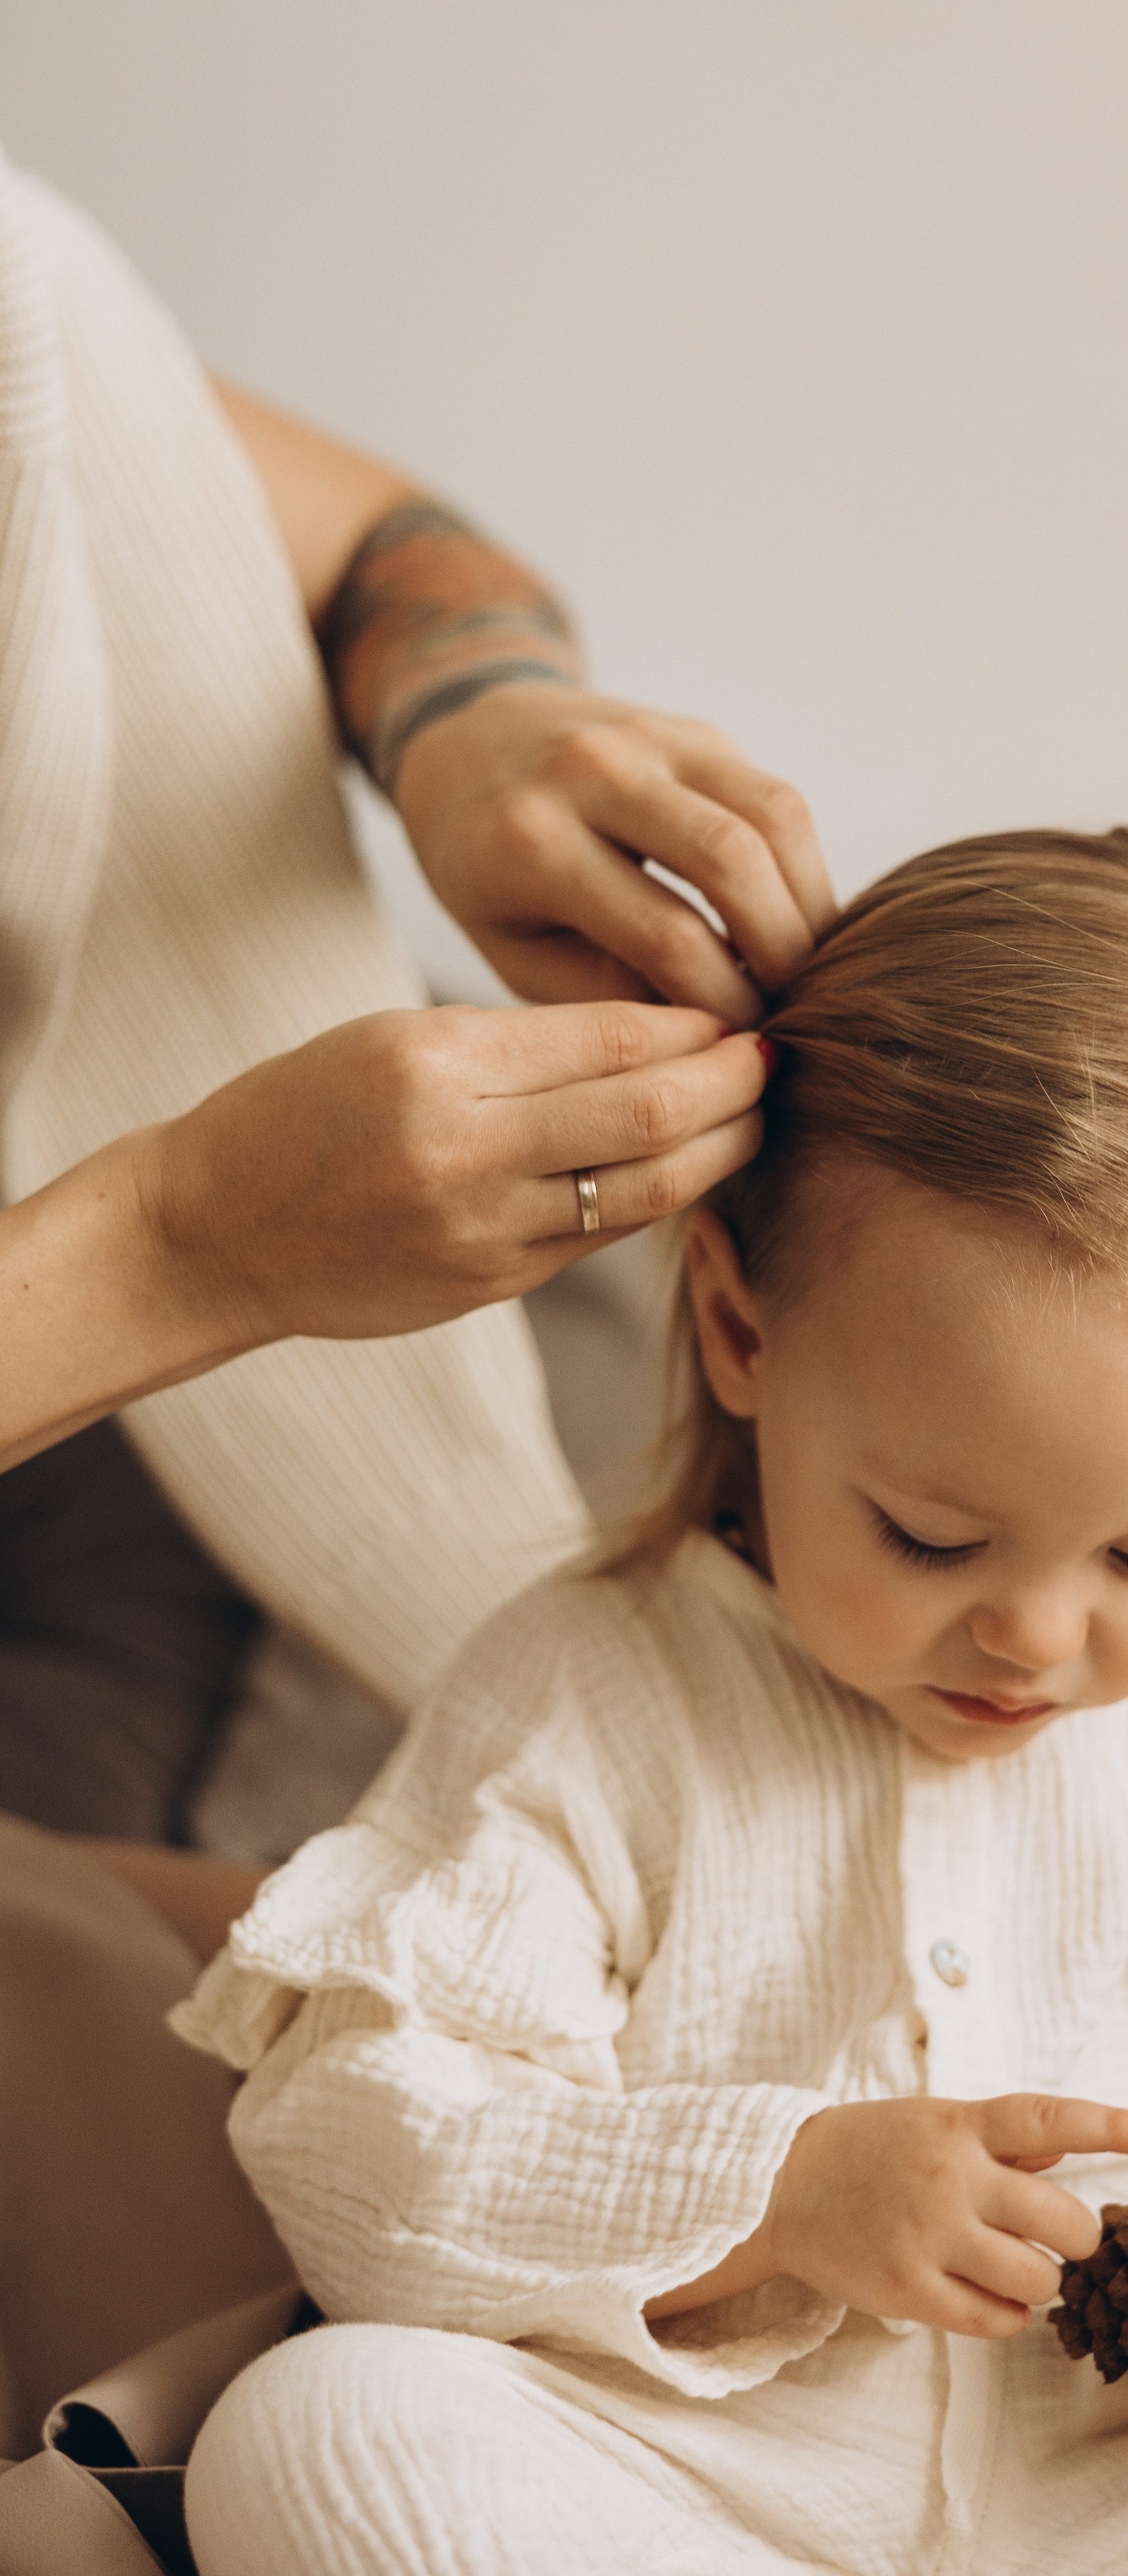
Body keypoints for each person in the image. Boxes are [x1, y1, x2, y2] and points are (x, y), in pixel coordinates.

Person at [172, 832, 1128, 2573]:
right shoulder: (587, 1702)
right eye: (936, 1535)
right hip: (719, 2488)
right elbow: (369, 2152)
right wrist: (776, 2194)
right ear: (745, 1334)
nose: (1041, 1640)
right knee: (326, 2435)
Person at [0, 149, 831, 1890]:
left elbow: (374, 542)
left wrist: (474, 714)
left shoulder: (20, 304)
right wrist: (180, 1251)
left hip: (271, 1256)